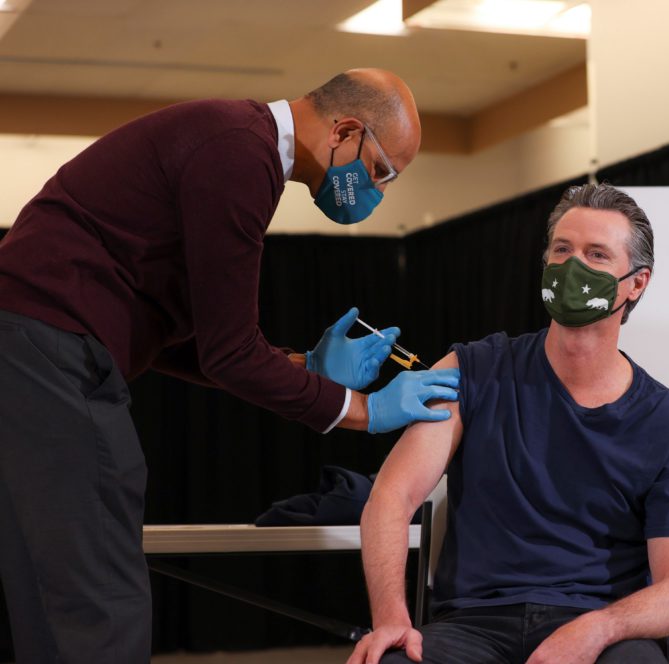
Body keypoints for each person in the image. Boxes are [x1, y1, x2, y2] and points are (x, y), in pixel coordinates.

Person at [0, 69, 459, 663]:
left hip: (30, 352)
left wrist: (304, 366)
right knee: (98, 601)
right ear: (346, 131)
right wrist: (364, 409)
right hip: (50, 354)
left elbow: (180, 337)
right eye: (380, 171)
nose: (378, 191)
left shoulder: (232, 142)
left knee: (51, 592)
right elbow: (231, 352)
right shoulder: (241, 152)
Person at [348, 184, 669, 664]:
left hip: (597, 627)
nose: (572, 266)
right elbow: (391, 497)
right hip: (473, 625)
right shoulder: (471, 370)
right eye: (562, 249)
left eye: (596, 255)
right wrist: (391, 618)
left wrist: (599, 629)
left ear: (636, 283)